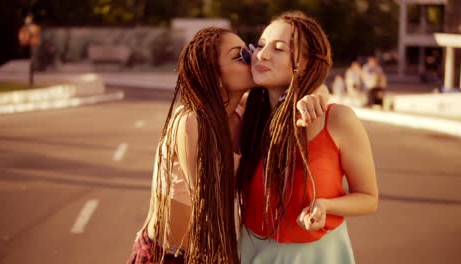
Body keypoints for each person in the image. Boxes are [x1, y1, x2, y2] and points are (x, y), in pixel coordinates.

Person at [127, 27, 328, 264]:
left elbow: (307, 86)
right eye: (240, 55)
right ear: (213, 74)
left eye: (250, 50)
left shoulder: (244, 116)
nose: (253, 57)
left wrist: (316, 93)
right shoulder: (191, 120)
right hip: (166, 255)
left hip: (207, 253)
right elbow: (209, 204)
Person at [238, 11, 379, 263]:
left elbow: (369, 198)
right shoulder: (246, 115)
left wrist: (326, 205)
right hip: (249, 251)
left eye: (279, 49)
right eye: (260, 45)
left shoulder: (338, 120)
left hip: (316, 254)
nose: (263, 54)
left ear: (306, 64)